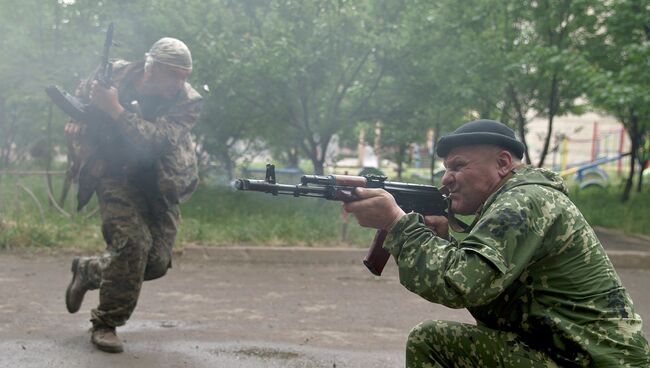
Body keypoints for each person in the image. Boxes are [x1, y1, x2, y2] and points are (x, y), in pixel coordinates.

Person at [344, 119, 650, 367]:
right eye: (445, 168)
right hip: (579, 354)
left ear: (503, 163)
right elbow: (488, 289)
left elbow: (461, 285)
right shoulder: (521, 198)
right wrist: (439, 240)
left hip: (589, 360)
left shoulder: (522, 201)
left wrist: (398, 224)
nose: (446, 179)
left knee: (430, 340)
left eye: (458, 166)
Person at [63, 37, 203, 353]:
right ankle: (105, 324)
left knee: (154, 263)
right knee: (134, 246)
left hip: (160, 183)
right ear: (151, 68)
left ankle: (88, 270)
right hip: (114, 175)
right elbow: (83, 97)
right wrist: (76, 119)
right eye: (174, 74)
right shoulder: (114, 74)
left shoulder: (188, 101)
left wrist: (114, 109)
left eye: (185, 75)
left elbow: (155, 142)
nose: (180, 82)